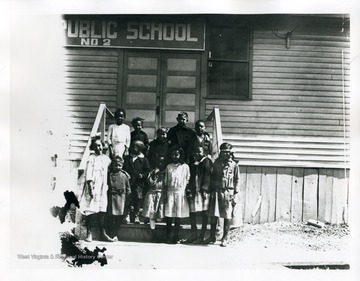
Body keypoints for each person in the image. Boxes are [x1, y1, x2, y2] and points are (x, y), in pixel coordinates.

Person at [80, 135, 114, 242]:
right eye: (96, 146)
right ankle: (88, 233)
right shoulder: (91, 158)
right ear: (93, 148)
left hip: (103, 187)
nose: (98, 148)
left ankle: (102, 233)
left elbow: (111, 170)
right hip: (93, 186)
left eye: (100, 146)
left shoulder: (106, 159)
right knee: (90, 210)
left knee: (102, 209)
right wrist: (90, 188)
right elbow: (89, 174)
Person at [205, 142, 239, 247]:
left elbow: (237, 180)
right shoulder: (216, 163)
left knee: (227, 215)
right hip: (216, 191)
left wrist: (235, 193)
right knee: (214, 214)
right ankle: (212, 236)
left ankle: (225, 238)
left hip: (228, 192)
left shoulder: (234, 165)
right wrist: (210, 191)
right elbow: (212, 177)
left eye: (227, 153)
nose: (225, 154)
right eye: (223, 152)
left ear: (230, 153)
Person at [185, 146, 213, 244]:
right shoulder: (195, 164)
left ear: (204, 153)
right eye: (195, 152)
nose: (196, 154)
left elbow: (207, 176)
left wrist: (205, 189)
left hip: (203, 191)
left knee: (203, 213)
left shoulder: (207, 162)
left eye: (199, 152)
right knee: (192, 212)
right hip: (194, 191)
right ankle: (194, 233)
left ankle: (202, 235)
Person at [163, 147, 190, 244]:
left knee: (178, 215)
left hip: (180, 192)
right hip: (170, 192)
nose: (175, 156)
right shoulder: (168, 166)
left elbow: (187, 180)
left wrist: (186, 192)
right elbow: (166, 182)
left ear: (180, 155)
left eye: (177, 154)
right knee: (169, 215)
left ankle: (176, 236)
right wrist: (165, 195)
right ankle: (168, 236)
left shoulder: (185, 167)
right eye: (173, 154)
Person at [123, 140, 151, 224]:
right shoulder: (127, 158)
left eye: (134, 147)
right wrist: (125, 174)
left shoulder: (144, 160)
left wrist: (142, 175)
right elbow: (123, 168)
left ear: (140, 149)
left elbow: (147, 171)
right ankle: (127, 215)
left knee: (137, 199)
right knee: (128, 198)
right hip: (128, 183)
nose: (132, 148)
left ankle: (136, 215)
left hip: (138, 184)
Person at [142, 155, 167, 242]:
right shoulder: (152, 173)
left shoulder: (166, 173)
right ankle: (153, 233)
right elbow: (151, 184)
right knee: (152, 214)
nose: (160, 164)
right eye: (158, 162)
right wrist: (155, 175)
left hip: (161, 195)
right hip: (152, 194)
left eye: (162, 162)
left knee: (160, 216)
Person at [106, 156, 131, 240]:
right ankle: (110, 233)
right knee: (110, 217)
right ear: (112, 166)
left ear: (122, 166)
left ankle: (115, 233)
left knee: (119, 217)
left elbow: (128, 188)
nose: (117, 167)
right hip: (112, 198)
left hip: (121, 199)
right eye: (115, 165)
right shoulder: (109, 176)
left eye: (119, 165)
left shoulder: (124, 176)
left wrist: (128, 198)